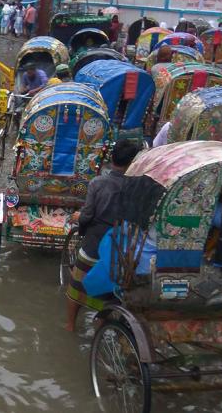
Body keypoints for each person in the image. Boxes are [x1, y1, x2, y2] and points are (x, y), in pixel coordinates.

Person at [65, 140, 141, 331]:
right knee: (109, 294)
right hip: (119, 247)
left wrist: (79, 218)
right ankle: (99, 331)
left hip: (93, 243)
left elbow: (88, 215)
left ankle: (70, 326)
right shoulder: (136, 187)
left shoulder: (98, 182)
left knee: (77, 286)